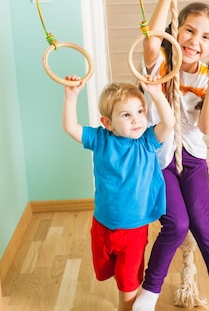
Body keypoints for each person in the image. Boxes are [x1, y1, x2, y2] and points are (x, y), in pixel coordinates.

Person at [133, 0, 209, 311]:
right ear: (175, 31)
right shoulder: (162, 62)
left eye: (205, 37)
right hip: (158, 157)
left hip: (191, 157)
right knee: (177, 224)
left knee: (202, 225)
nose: (195, 41)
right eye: (189, 30)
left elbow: (207, 127)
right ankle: (147, 296)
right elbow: (151, 41)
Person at [62, 75, 175, 311]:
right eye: (126, 115)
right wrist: (71, 97)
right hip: (102, 225)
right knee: (106, 271)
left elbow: (169, 123)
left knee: (128, 286)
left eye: (140, 112)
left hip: (133, 230)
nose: (137, 120)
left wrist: (156, 94)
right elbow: (70, 127)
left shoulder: (147, 141)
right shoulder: (100, 140)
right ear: (108, 123)